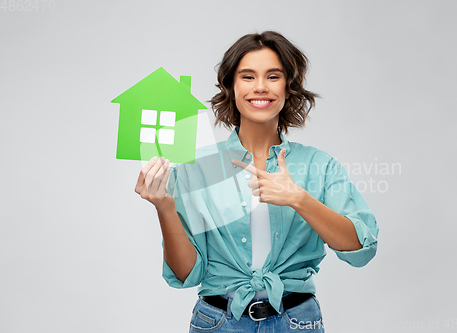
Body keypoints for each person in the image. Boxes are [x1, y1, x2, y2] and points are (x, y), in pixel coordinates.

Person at [134, 31, 379, 332]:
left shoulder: (320, 166)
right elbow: (186, 274)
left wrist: (298, 199)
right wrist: (164, 207)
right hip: (219, 322)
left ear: (289, 88)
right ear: (231, 87)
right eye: (248, 77)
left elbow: (361, 249)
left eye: (273, 76)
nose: (260, 87)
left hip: (296, 322)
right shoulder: (198, 167)